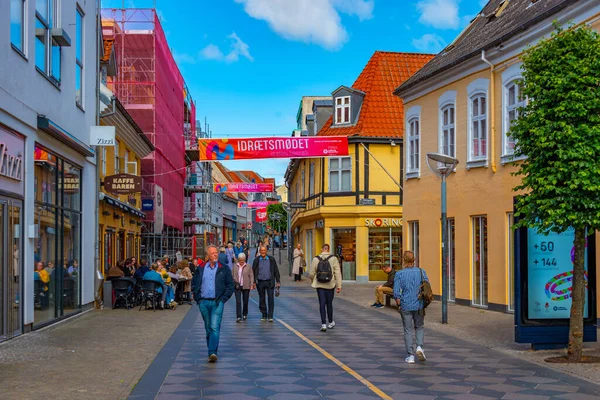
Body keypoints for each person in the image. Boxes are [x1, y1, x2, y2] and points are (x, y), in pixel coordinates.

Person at [191, 245, 235, 362]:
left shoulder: (223, 268)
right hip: (204, 302)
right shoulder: (200, 268)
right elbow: (194, 283)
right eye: (213, 253)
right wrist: (197, 298)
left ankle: (212, 352)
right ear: (207, 256)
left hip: (217, 302)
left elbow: (230, 285)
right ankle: (211, 347)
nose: (216, 255)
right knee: (208, 327)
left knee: (214, 327)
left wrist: (223, 299)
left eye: (216, 252)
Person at [394, 251, 429, 364]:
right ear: (414, 260)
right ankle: (419, 347)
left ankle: (410, 355)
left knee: (408, 330)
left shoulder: (399, 274)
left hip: (406, 304)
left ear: (403, 260)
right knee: (419, 326)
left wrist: (399, 303)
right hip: (419, 304)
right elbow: (428, 287)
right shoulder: (421, 272)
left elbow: (396, 292)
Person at [309, 244, 342, 332]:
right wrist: (339, 285)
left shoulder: (316, 259)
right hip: (330, 284)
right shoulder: (333, 258)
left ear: (321, 249)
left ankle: (323, 324)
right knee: (329, 303)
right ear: (328, 249)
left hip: (319, 284)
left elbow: (311, 273)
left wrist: (313, 280)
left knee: (322, 304)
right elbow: (337, 272)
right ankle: (330, 322)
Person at [252, 246, 281, 321]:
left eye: (264, 250)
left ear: (266, 251)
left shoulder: (271, 259)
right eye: (261, 250)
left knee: (270, 299)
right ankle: (264, 314)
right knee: (262, 299)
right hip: (260, 282)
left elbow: (276, 270)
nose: (263, 252)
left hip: (269, 282)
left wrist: (278, 281)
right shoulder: (256, 260)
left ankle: (270, 315)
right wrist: (253, 282)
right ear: (260, 251)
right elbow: (253, 271)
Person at [232, 253, 254, 322]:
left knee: (245, 301)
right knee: (238, 301)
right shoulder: (235, 266)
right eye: (240, 261)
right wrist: (235, 281)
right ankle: (238, 316)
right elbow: (232, 275)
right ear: (238, 260)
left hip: (246, 285)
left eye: (243, 261)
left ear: (244, 260)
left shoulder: (248, 266)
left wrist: (251, 284)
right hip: (237, 286)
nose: (241, 262)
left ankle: (245, 314)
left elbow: (251, 275)